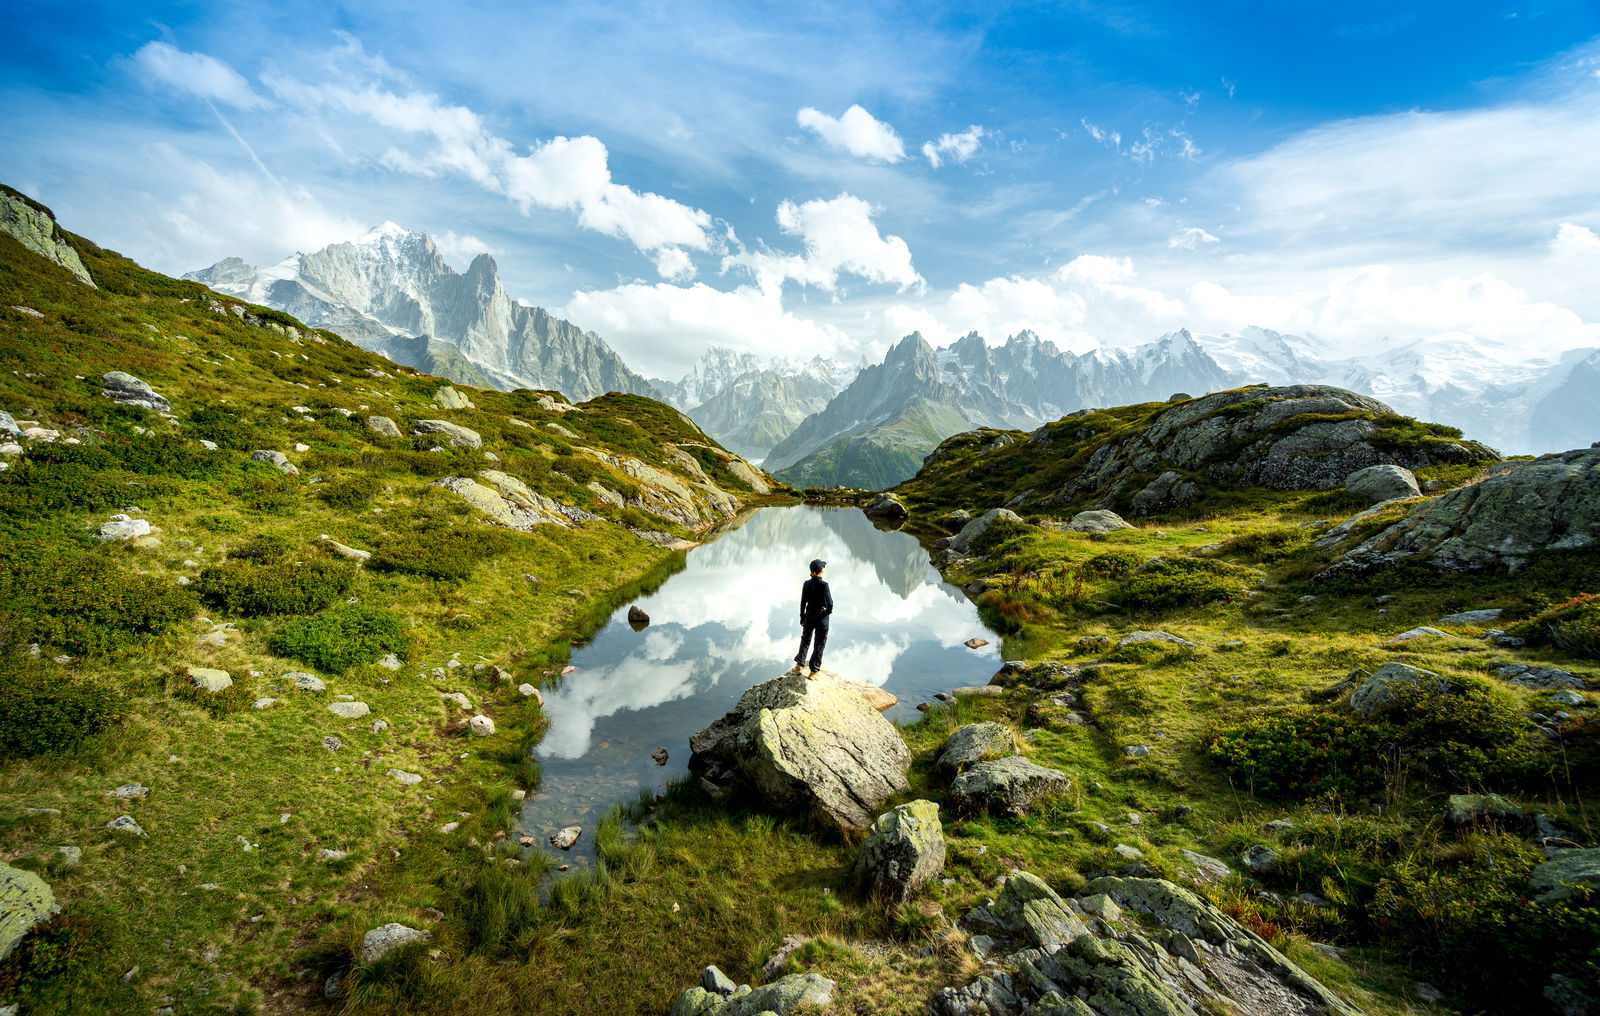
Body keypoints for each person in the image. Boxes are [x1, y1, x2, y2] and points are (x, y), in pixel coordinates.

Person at [793, 558, 832, 676]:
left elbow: (803, 602)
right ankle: (813, 671)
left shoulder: (806, 584)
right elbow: (830, 604)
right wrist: (825, 613)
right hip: (821, 619)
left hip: (809, 616)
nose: (824, 568)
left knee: (805, 640)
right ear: (821, 570)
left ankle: (799, 666)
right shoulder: (824, 585)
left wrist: (802, 617)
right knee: (819, 644)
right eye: (823, 567)